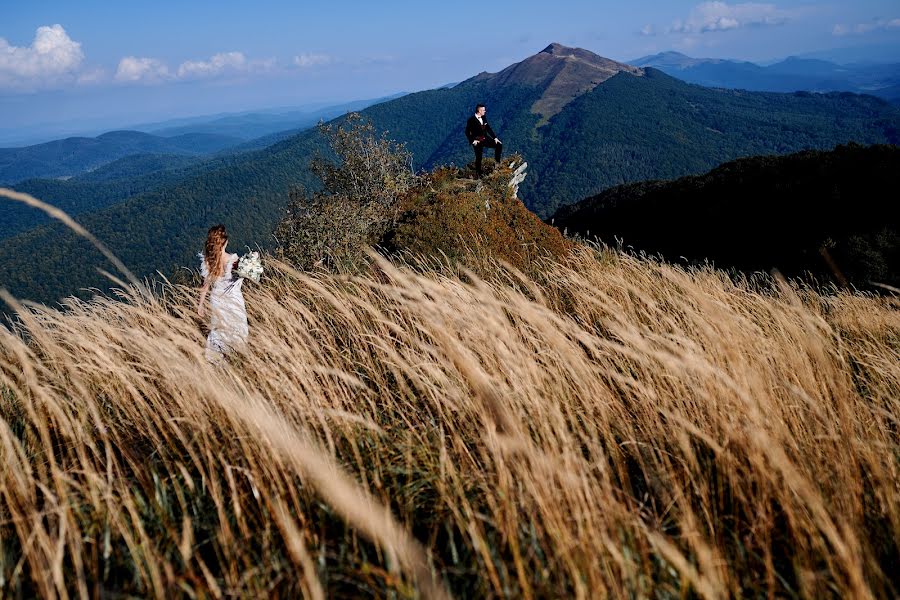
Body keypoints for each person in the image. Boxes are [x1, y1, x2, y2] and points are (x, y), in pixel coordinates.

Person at [197, 224, 248, 362]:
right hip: (233, 300)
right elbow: (243, 274)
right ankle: (236, 357)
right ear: (225, 242)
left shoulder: (209, 261)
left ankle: (216, 359)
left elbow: (205, 286)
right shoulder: (233, 260)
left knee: (218, 329)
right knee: (237, 327)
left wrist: (200, 305)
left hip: (217, 300)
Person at [465, 103, 502, 177]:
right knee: (479, 157)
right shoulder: (471, 120)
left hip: (485, 138)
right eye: (483, 110)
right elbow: (467, 132)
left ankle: (497, 163)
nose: (485, 111)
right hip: (477, 141)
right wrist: (473, 141)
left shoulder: (484, 117)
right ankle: (479, 173)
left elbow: (488, 128)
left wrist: (495, 138)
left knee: (499, 145)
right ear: (479, 110)